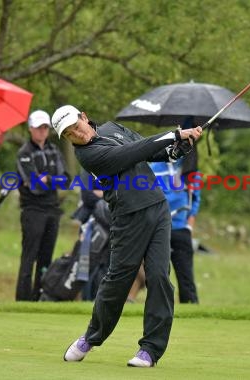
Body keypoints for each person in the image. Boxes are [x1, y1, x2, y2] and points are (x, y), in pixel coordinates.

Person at [51, 104, 202, 367]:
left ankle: (150, 350)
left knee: (159, 277)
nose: (78, 134)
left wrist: (179, 147)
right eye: (70, 134)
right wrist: (175, 134)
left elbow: (153, 152)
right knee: (117, 283)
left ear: (84, 117)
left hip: (157, 208)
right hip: (127, 218)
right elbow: (132, 152)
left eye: (77, 126)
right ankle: (91, 337)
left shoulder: (114, 128)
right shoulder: (88, 156)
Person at [15, 110, 71, 301]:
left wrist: (47, 178)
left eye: (45, 127)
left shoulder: (54, 150)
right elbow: (34, 186)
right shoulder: (24, 153)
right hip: (33, 210)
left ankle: (39, 296)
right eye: (38, 127)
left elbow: (66, 180)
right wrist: (48, 180)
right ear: (31, 128)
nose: (42, 131)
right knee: (29, 256)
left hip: (52, 210)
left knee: (46, 257)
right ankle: (22, 298)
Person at [150, 158, 201, 303]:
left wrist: (189, 227)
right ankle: (159, 307)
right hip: (158, 229)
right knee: (158, 273)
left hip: (180, 228)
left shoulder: (189, 168)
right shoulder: (153, 168)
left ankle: (190, 307)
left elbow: (195, 200)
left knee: (186, 275)